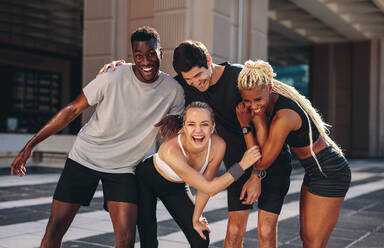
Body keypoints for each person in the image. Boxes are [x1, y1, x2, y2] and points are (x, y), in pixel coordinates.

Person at [101, 40, 292, 248]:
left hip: (267, 160)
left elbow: (261, 119)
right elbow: (151, 83)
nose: (195, 83)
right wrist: (122, 70)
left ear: (209, 60)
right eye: (188, 79)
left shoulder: (238, 78)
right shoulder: (187, 84)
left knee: (264, 230)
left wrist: (257, 174)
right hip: (238, 163)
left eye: (199, 76)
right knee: (234, 230)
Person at [10, 26, 185, 248]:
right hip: (85, 157)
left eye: (151, 54)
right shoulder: (112, 76)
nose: (146, 61)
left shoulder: (173, 90)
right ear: (133, 56)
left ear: (161, 53)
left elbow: (182, 122)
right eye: (139, 56)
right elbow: (73, 110)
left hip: (123, 168)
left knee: (126, 240)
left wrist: (176, 120)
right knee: (55, 229)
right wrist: (30, 145)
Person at [236, 59, 351, 248]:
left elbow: (264, 161)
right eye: (247, 100)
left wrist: (245, 125)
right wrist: (258, 119)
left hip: (330, 172)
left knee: (314, 242)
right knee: (306, 237)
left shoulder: (284, 115)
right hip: (315, 171)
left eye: (258, 100)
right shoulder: (269, 107)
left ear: (270, 88)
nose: (253, 106)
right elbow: (263, 150)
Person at [136, 101, 261, 247]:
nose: (198, 130)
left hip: (175, 187)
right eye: (191, 124)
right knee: (148, 240)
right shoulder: (171, 150)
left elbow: (206, 188)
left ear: (212, 127)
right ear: (184, 127)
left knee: (200, 237)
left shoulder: (218, 145)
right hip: (146, 179)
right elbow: (210, 188)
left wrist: (196, 219)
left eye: (204, 124)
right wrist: (242, 166)